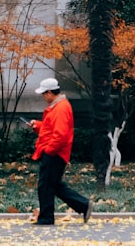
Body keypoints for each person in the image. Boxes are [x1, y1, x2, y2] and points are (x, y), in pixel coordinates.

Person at [28, 77, 92, 225]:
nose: (43, 97)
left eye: (44, 94)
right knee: (52, 185)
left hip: (55, 153)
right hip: (56, 152)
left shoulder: (60, 108)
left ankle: (47, 217)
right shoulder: (59, 106)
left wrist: (49, 151)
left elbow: (60, 134)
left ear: (50, 92)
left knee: (46, 186)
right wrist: (37, 126)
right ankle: (83, 205)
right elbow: (53, 128)